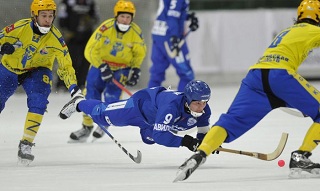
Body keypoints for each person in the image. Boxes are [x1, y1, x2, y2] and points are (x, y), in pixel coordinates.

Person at [174, 0, 320, 182]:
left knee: (231, 121)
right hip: (280, 75)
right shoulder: (314, 30)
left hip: (255, 77)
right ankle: (301, 156)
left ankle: (201, 153)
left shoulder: (287, 31)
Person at [0, 0, 82, 165]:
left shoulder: (56, 39)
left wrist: (74, 88)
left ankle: (26, 144)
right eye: (43, 15)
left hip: (37, 72)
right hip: (10, 69)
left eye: (50, 16)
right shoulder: (19, 28)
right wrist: (3, 47)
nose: (47, 20)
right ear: (34, 15)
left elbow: (66, 66)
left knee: (39, 101)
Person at [68, 0, 147, 142]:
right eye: (122, 16)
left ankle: (104, 122)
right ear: (116, 16)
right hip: (100, 67)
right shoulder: (105, 28)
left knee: (112, 99)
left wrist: (135, 69)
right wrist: (102, 66)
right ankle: (86, 127)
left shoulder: (136, 32)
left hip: (121, 69)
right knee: (90, 96)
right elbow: (90, 49)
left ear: (132, 18)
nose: (125, 20)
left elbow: (139, 53)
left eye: (128, 17)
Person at [59, 80, 212, 151]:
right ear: (188, 100)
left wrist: (206, 144)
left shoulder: (204, 110)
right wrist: (186, 142)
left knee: (149, 139)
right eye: (197, 103)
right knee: (102, 114)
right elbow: (160, 135)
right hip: (138, 107)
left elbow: (203, 133)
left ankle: (145, 128)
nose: (201, 107)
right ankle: (79, 103)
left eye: (205, 102)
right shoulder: (171, 108)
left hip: (152, 119)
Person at [148, 0, 199, 91]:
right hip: (169, 37)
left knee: (157, 73)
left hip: (158, 35)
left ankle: (149, 103)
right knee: (186, 74)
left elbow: (169, 11)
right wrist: (174, 37)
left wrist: (187, 17)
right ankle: (181, 103)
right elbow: (172, 16)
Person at [55, 0, 99, 90]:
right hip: (71, 37)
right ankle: (63, 84)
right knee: (69, 60)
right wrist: (66, 31)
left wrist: (90, 21)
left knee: (86, 61)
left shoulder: (90, 3)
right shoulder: (66, 3)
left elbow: (95, 18)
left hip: (86, 37)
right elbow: (61, 19)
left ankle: (82, 83)